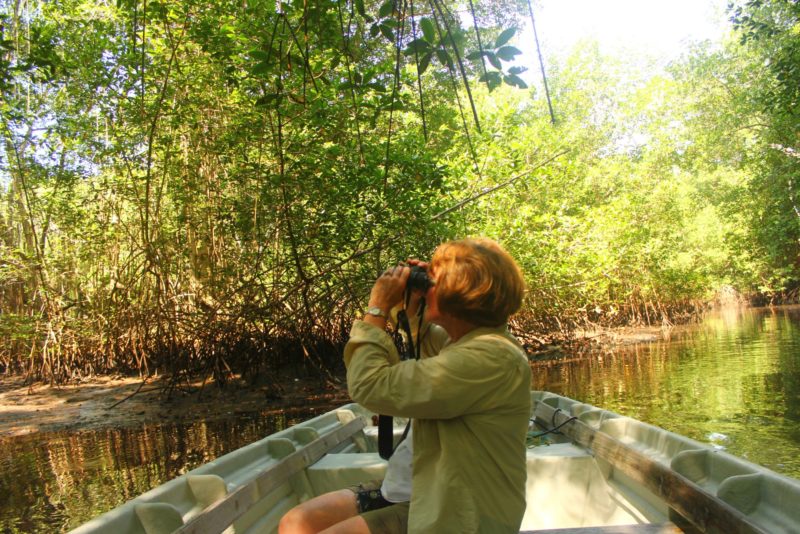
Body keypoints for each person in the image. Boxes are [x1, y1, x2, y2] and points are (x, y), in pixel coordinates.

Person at [280, 238, 530, 533]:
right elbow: (431, 344)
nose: (426, 287)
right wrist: (411, 311)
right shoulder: (472, 341)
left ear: (457, 294)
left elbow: (370, 385)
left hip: (457, 512)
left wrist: (377, 309)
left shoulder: (490, 358)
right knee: (297, 522)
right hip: (420, 484)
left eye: (433, 282)